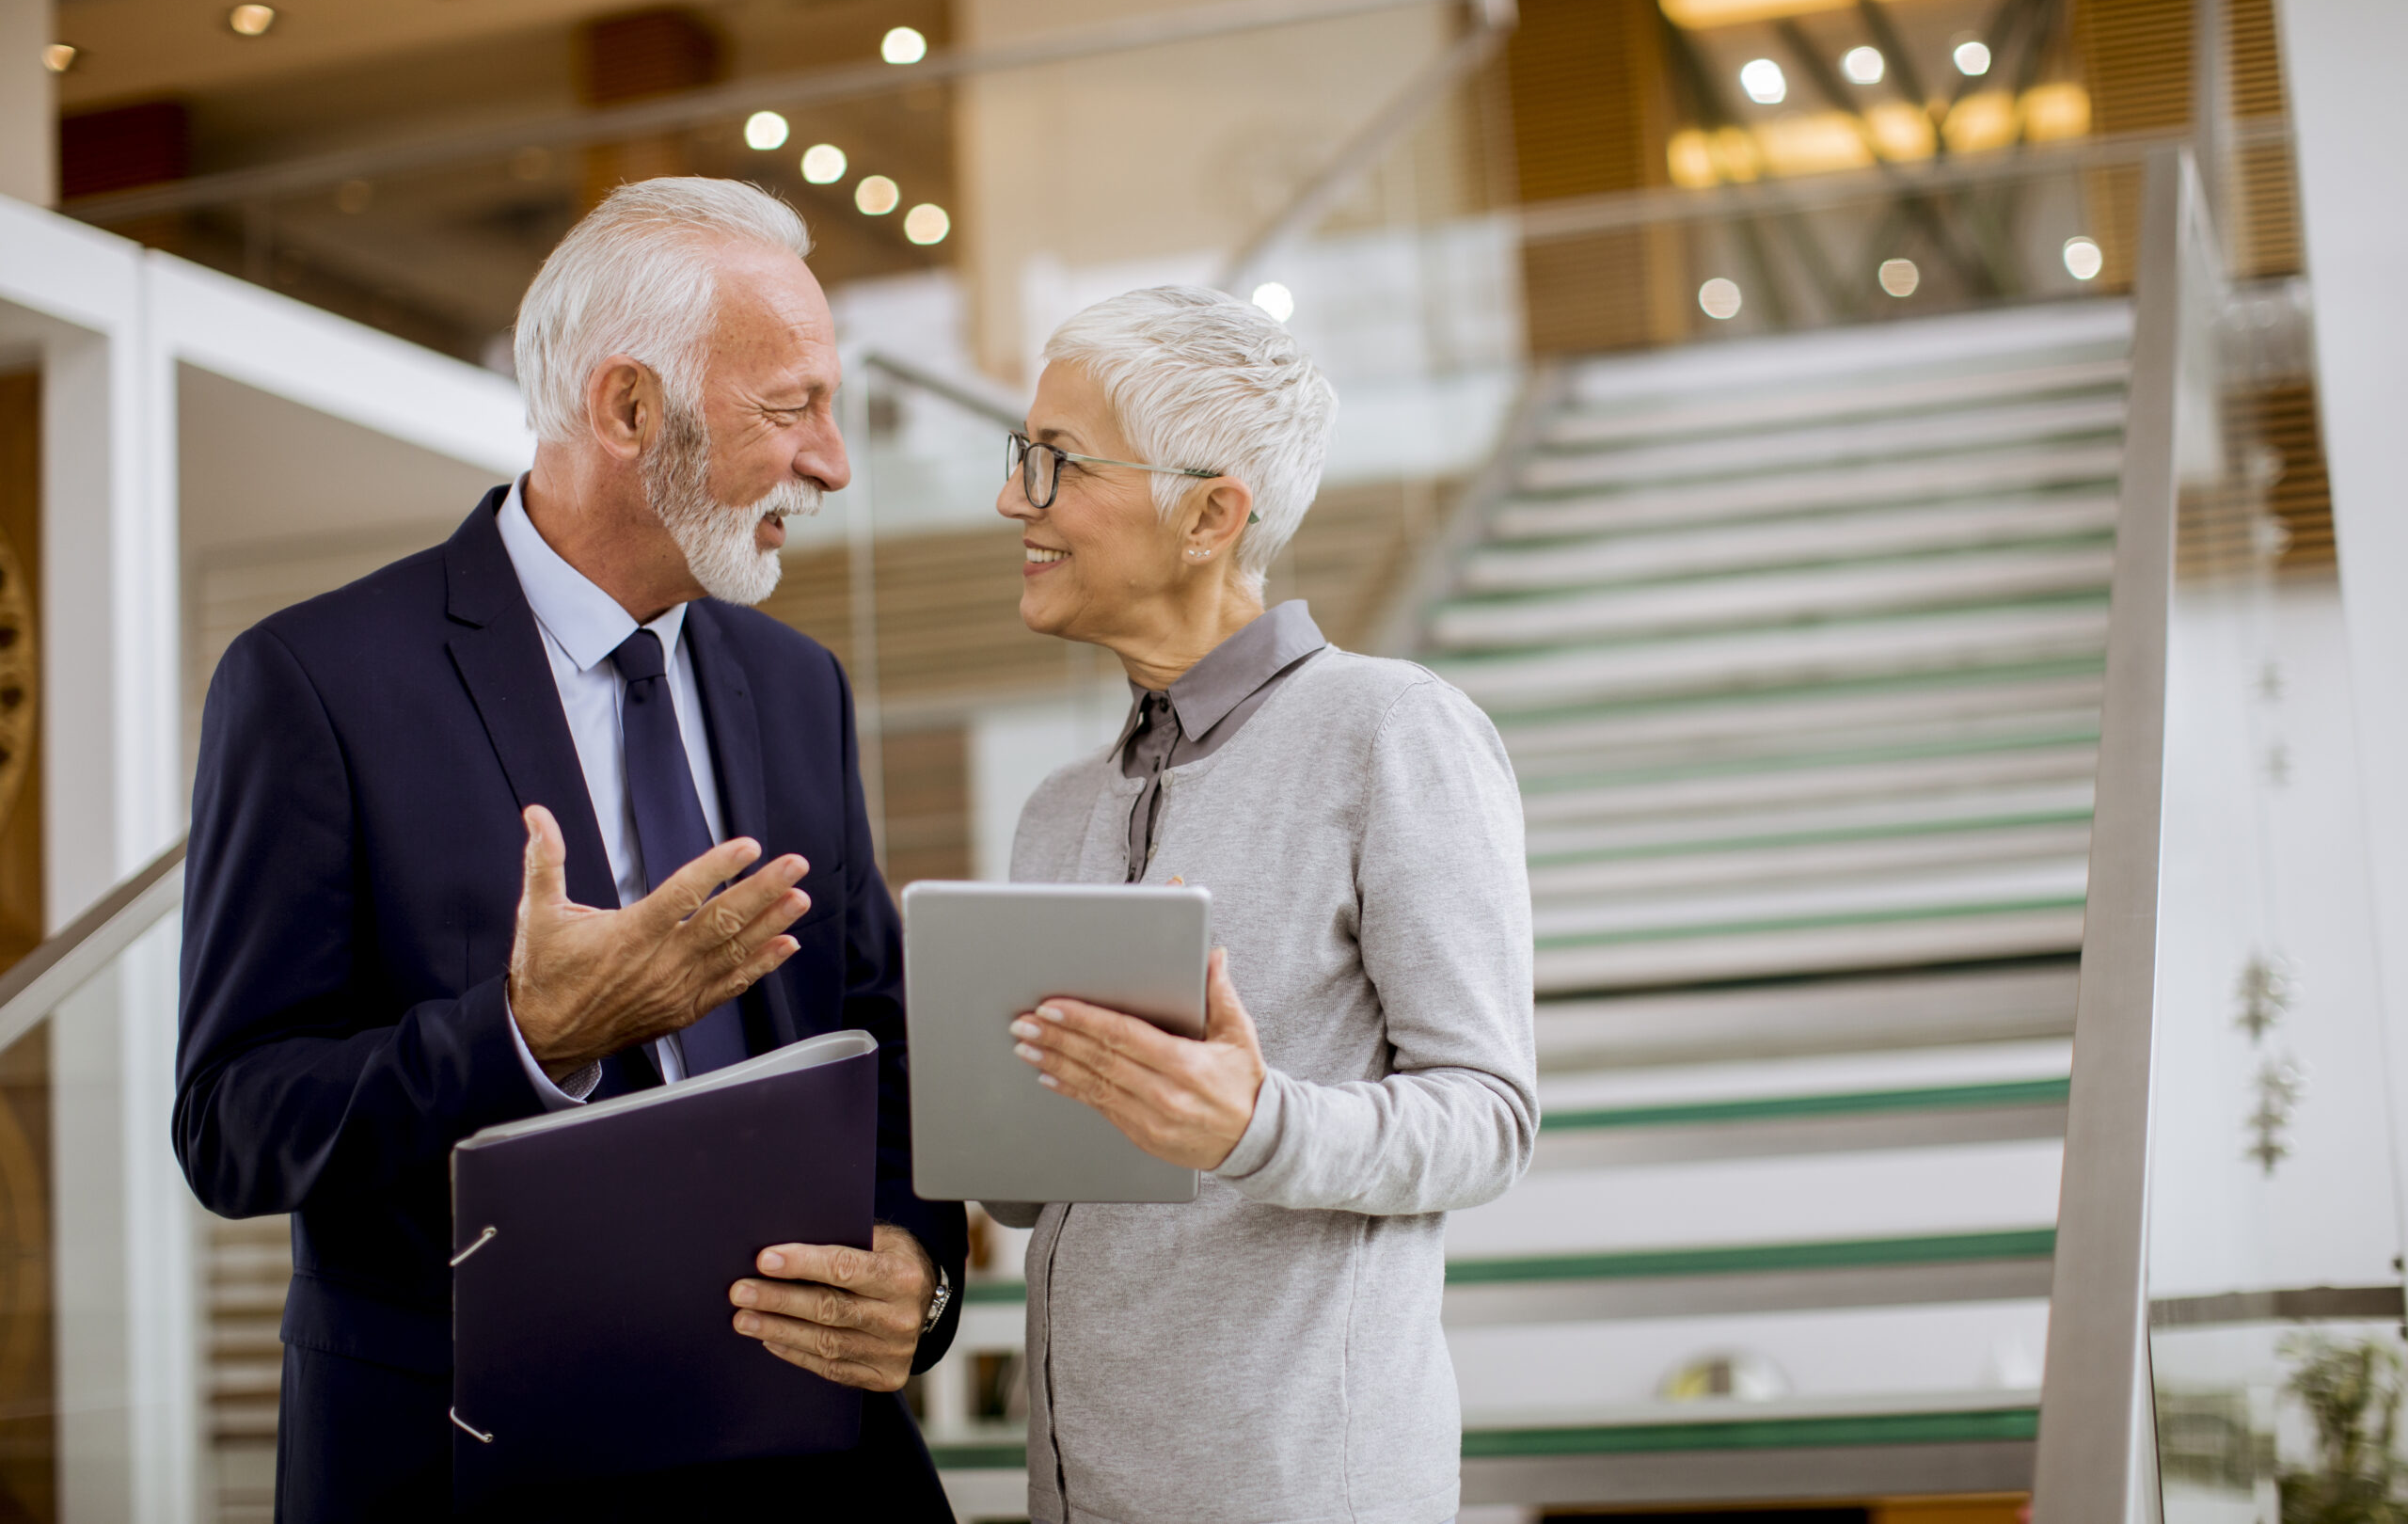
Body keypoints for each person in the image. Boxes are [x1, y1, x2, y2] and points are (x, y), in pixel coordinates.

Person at [175, 178, 966, 1520]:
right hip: (470, 1466)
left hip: (806, 1457)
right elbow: (235, 1124)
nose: (834, 462)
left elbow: (878, 1036)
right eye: (792, 410)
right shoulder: (312, 682)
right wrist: (527, 1033)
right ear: (628, 411)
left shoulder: (795, 682)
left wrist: (915, 1266)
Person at [986, 286, 1538, 1524]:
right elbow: (1034, 1193)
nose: (1014, 500)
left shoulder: (1393, 733)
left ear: (1208, 515)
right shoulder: (1059, 807)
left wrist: (1255, 1124)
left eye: (1057, 464)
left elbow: (1489, 1115)